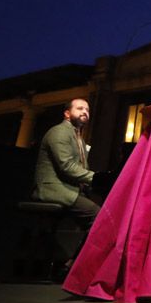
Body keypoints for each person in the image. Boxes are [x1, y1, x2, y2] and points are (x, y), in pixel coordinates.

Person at [33, 98, 101, 232]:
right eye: (80, 108)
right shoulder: (59, 131)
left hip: (71, 189)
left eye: (87, 110)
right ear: (67, 114)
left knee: (104, 210)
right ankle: (87, 252)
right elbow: (67, 166)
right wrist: (98, 179)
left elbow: (82, 169)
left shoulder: (79, 138)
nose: (85, 112)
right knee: (97, 215)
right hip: (54, 189)